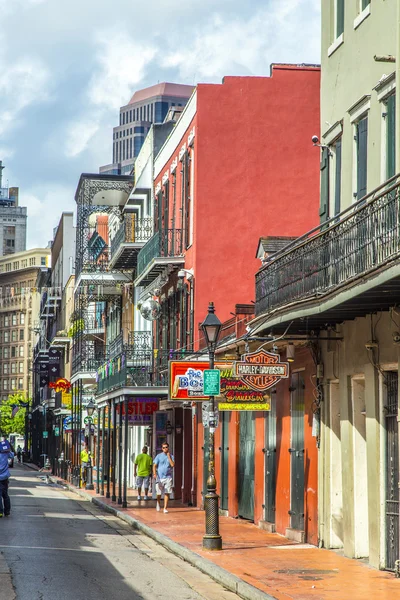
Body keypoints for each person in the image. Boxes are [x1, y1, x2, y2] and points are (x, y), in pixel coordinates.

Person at [153, 442, 174, 514]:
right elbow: (154, 465)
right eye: (163, 447)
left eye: (166, 447)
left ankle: (165, 508)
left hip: (168, 477)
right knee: (158, 493)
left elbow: (172, 465)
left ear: (168, 448)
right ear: (162, 449)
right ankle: (158, 503)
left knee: (167, 492)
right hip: (160, 477)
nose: (165, 449)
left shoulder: (171, 456)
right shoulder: (158, 456)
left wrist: (169, 457)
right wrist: (155, 474)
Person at [0, 437, 14, 517]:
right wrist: (9, 445)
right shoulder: (5, 454)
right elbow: (12, 455)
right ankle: (7, 511)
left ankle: (0, 511)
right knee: (5, 494)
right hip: (5, 477)